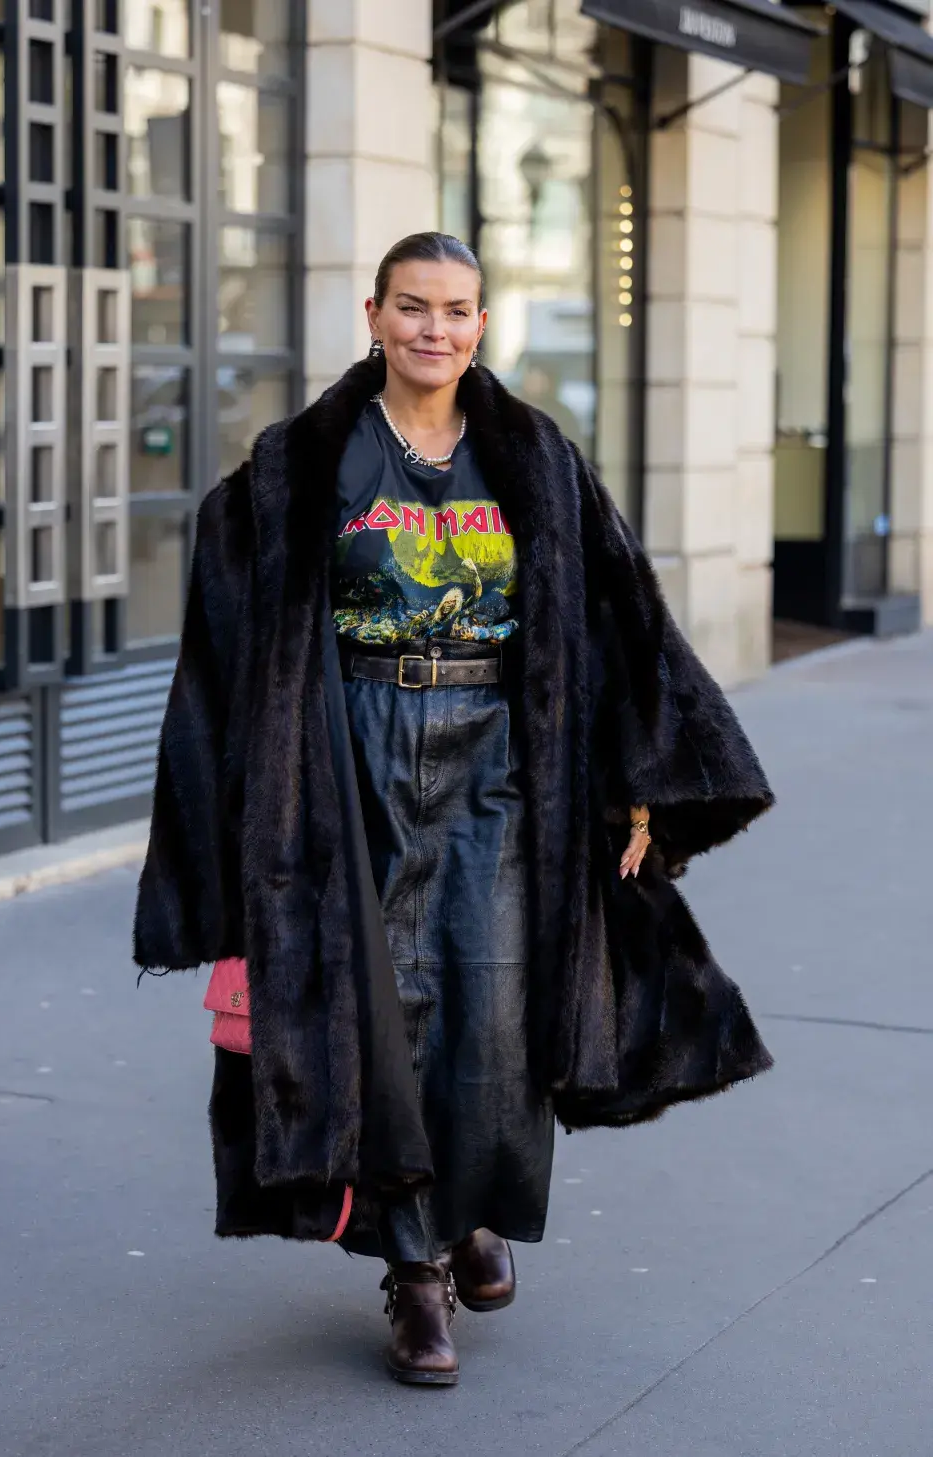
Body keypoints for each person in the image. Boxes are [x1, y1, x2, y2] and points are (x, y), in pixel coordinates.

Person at [133, 232, 774, 1388]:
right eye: (415, 307)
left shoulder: (534, 455)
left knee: (492, 1012)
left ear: (484, 324)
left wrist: (643, 781)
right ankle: (415, 1264)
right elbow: (228, 636)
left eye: (460, 310)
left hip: (502, 761)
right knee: (380, 1016)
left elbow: (618, 615)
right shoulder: (302, 464)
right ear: (373, 313)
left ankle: (473, 1206)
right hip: (351, 758)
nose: (437, 329)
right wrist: (235, 814)